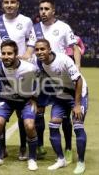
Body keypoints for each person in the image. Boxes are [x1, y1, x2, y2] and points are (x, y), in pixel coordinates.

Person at [29, 0, 81, 162]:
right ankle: (40, 146)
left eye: (46, 9)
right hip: (42, 76)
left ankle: (67, 148)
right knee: (39, 111)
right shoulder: (35, 28)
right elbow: (30, 51)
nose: (43, 12)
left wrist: (77, 67)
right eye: (41, 9)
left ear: (53, 10)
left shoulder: (63, 27)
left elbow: (75, 48)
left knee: (64, 114)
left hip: (60, 77)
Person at [34, 39, 87, 174]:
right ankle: (60, 159)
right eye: (37, 50)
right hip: (61, 94)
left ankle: (81, 162)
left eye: (42, 49)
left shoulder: (63, 60)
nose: (39, 52)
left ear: (49, 49)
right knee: (53, 124)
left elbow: (79, 80)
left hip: (78, 94)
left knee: (78, 125)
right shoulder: (39, 62)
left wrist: (77, 104)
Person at [0, 0, 34, 160]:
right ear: (2, 4)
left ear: (18, 4)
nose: (9, 5)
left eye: (12, 2)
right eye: (6, 2)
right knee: (1, 111)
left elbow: (31, 43)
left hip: (20, 71)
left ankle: (24, 147)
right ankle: (1, 149)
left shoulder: (26, 21)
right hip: (2, 72)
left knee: (21, 113)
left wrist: (24, 57)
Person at [0, 40, 38, 171]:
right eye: (3, 53)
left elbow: (42, 80)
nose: (6, 56)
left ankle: (32, 158)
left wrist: (35, 98)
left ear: (16, 54)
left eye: (9, 53)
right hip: (7, 99)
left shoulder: (30, 68)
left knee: (30, 125)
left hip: (26, 100)